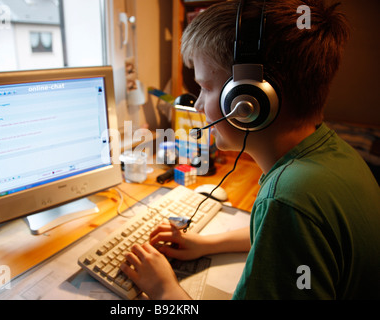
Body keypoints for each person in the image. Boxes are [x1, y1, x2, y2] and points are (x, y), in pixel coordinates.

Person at [119, 0, 380, 299]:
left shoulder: (288, 198)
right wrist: (206, 244)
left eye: (205, 86)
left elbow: (287, 218)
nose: (200, 104)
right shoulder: (330, 153)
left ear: (249, 98)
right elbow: (280, 233)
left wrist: (163, 289)